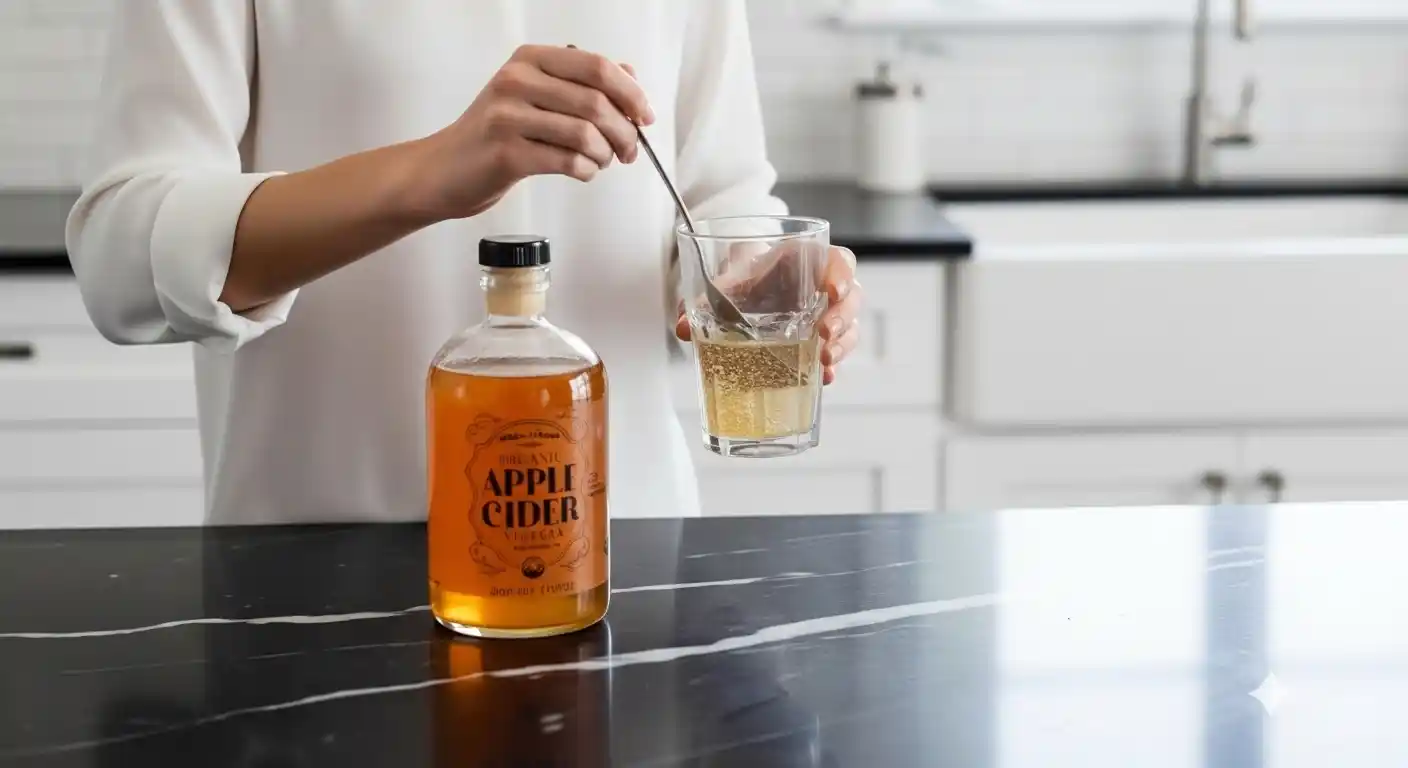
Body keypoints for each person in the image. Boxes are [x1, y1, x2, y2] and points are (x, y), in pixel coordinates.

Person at [66, 2, 865, 525]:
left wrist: (761, 277)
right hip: (315, 575)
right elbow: (121, 259)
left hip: (623, 556)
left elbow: (722, 200)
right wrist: (434, 172)